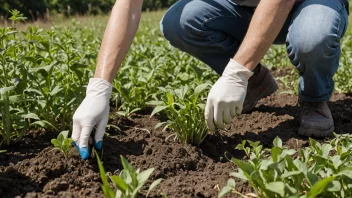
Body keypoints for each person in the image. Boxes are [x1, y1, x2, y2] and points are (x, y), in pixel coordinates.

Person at [71, 0, 349, 159]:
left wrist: (237, 70)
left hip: (309, 4)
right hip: (242, 7)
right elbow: (128, 5)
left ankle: (314, 98)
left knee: (313, 39)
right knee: (180, 21)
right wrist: (99, 87)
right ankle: (255, 83)